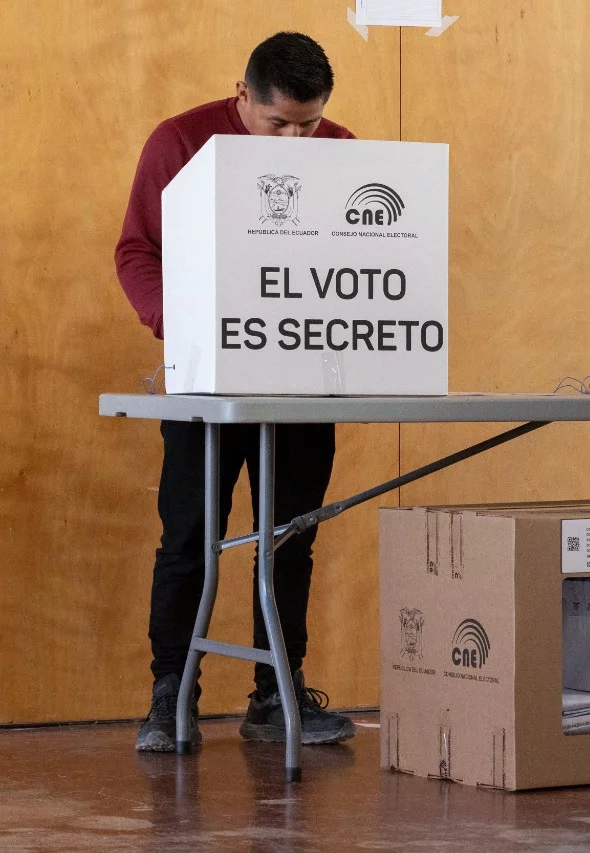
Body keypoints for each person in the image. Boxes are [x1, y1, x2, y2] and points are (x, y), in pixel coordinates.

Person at [116, 32, 356, 752]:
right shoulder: (181, 141)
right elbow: (136, 251)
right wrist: (180, 328)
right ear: (242, 95)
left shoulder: (343, 151)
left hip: (304, 386)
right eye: (277, 122)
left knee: (290, 539)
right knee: (190, 538)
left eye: (307, 124)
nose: (294, 140)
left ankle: (274, 692)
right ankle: (170, 696)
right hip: (206, 384)